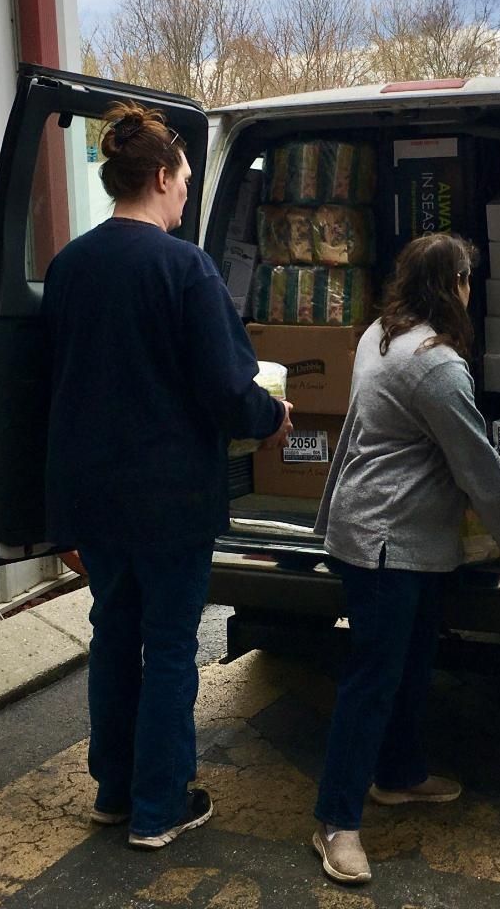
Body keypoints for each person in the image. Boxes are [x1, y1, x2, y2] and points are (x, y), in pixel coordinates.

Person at [42, 100, 293, 850]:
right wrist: (269, 419)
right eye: (184, 180)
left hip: (96, 498)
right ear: (159, 176)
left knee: (114, 634)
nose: (186, 194)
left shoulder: (68, 266)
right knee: (171, 645)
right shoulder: (185, 268)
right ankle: (160, 807)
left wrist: (57, 517)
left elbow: (52, 393)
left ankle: (114, 793)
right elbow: (226, 387)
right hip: (170, 500)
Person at [312, 232, 500, 884]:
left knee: (409, 663)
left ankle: (399, 775)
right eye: (467, 281)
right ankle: (334, 823)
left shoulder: (379, 334)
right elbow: (477, 464)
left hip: (382, 530)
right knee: (374, 679)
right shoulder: (436, 362)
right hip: (390, 540)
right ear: (455, 285)